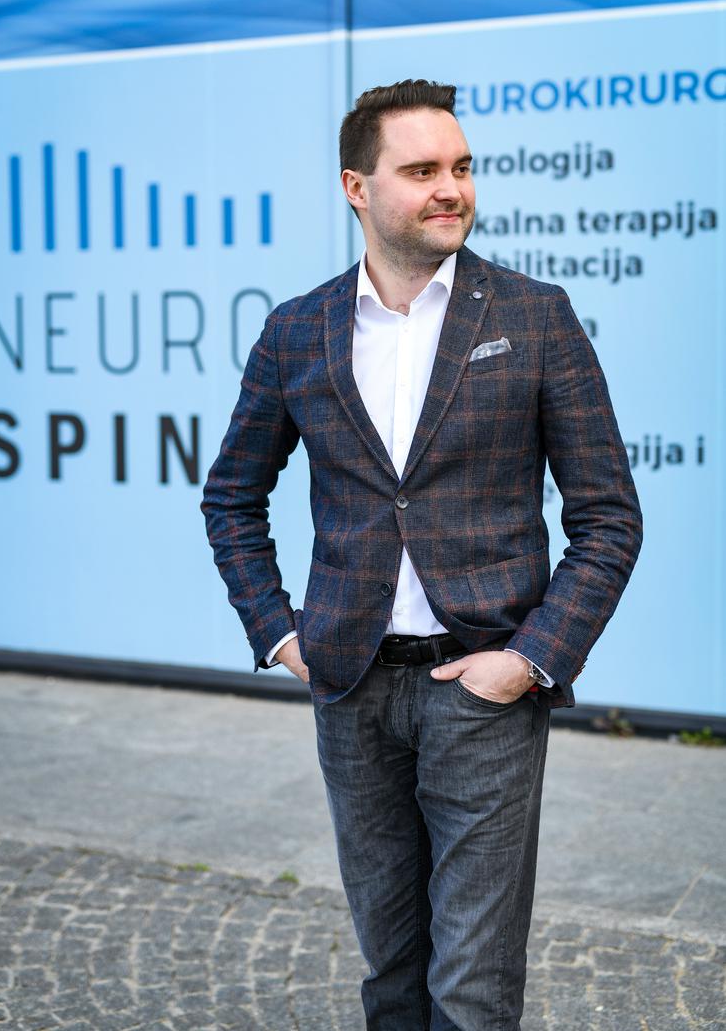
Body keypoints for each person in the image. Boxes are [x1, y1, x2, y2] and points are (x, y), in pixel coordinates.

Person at [201, 79, 642, 1031]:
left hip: (481, 691)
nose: (451, 189)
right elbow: (231, 497)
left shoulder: (534, 316)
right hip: (350, 688)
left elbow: (608, 517)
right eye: (422, 170)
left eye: (462, 167)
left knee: (470, 989)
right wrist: (281, 634)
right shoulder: (297, 330)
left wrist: (527, 660)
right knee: (391, 971)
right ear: (356, 187)